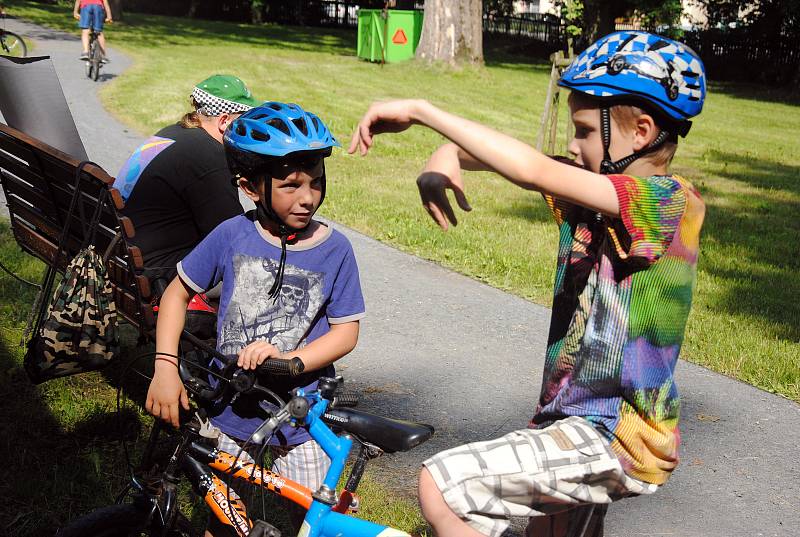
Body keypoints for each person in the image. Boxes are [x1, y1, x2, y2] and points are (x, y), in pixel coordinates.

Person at [349, 31, 707, 537]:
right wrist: (444, 156)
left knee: (443, 488)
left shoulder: (668, 203)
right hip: (570, 422)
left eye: (583, 130)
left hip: (614, 435)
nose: (571, 143)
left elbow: (530, 168)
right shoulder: (597, 193)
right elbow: (507, 158)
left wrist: (421, 109)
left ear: (641, 132)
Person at [145, 102, 365, 535]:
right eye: (290, 185)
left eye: (317, 183)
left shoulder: (335, 249)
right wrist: (164, 366)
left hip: (302, 418)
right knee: (223, 517)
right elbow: (177, 293)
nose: (308, 198)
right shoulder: (231, 235)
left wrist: (291, 360)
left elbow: (346, 332)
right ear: (250, 187)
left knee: (318, 521)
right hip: (230, 408)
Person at [114, 75, 259, 289]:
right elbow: (231, 238)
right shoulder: (210, 155)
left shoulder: (172, 133)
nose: (250, 132)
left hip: (120, 256)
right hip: (153, 274)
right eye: (245, 123)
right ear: (224, 121)